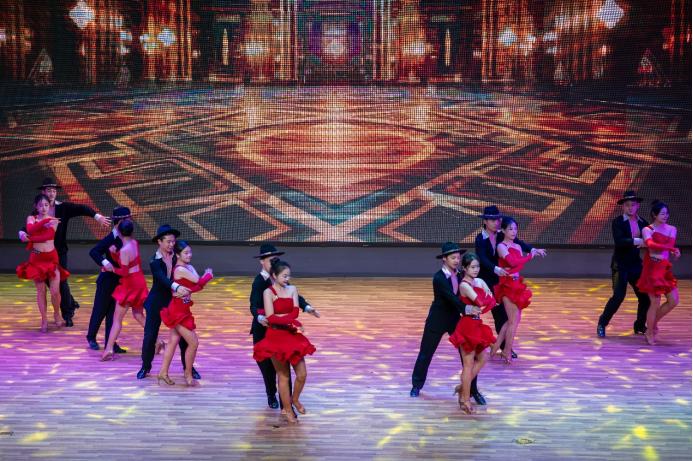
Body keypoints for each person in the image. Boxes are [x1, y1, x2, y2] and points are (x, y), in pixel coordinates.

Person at [19, 177, 110, 326]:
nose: (52, 193)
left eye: (54, 191)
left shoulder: (63, 208)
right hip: (39, 255)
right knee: (49, 285)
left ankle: (67, 313)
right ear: (43, 192)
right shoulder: (38, 211)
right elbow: (30, 226)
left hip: (58, 252)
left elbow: (82, 208)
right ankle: (69, 303)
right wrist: (22, 232)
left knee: (60, 283)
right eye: (49, 190)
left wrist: (97, 216)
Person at [410, 242, 487, 405]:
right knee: (426, 353)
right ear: (444, 259)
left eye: (458, 258)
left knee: (468, 356)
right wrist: (467, 308)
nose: (457, 261)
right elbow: (451, 298)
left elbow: (469, 290)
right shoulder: (438, 278)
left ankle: (472, 390)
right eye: (453, 258)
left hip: (455, 320)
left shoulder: (460, 276)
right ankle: (416, 385)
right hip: (437, 320)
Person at [249, 244, 320, 409]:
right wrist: (260, 318)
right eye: (271, 260)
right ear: (262, 261)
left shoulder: (281, 277)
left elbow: (294, 296)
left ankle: (286, 406)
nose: (274, 263)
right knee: (267, 369)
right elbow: (253, 305)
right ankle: (271, 394)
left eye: (276, 260)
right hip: (263, 330)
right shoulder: (259, 282)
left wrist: (306, 307)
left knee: (284, 369)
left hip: (282, 331)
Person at [474, 206, 542, 360]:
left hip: (503, 282)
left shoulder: (501, 235)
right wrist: (496, 268)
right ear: (485, 221)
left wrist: (532, 249)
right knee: (487, 314)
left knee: (503, 316)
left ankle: (506, 348)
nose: (496, 222)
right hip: (488, 282)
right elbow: (482, 259)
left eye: (497, 219)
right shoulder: (480, 238)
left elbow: (519, 242)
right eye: (492, 220)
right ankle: (488, 347)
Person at [137, 225, 198, 380]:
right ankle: (145, 366)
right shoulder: (154, 261)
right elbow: (162, 279)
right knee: (150, 335)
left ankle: (188, 368)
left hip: (174, 301)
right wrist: (177, 287)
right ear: (160, 241)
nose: (171, 244)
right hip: (157, 301)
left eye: (173, 241)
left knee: (183, 335)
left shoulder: (177, 256)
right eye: (168, 242)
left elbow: (187, 273)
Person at [158, 240, 213, 386]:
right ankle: (188, 373)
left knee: (172, 342)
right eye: (186, 253)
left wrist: (190, 290)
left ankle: (163, 373)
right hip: (177, 311)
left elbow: (199, 286)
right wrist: (208, 275)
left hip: (184, 309)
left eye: (190, 252)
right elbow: (200, 281)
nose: (189, 255)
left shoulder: (189, 267)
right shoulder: (180, 270)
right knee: (193, 343)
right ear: (178, 254)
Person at [597, 191, 651, 338]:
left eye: (633, 205)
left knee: (645, 297)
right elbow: (620, 241)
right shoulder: (618, 222)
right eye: (627, 205)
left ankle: (640, 326)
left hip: (635, 265)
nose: (630, 208)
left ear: (638, 206)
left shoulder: (643, 223)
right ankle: (602, 323)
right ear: (623, 207)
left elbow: (652, 238)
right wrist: (639, 241)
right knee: (618, 296)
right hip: (620, 265)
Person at [491, 217, 545, 363]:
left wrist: (519, 263)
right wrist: (529, 256)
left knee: (513, 320)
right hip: (507, 285)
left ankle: (496, 348)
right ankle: (507, 351)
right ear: (503, 230)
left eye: (515, 229)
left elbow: (518, 266)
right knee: (513, 321)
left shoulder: (517, 246)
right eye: (510, 229)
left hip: (516, 284)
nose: (513, 231)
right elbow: (513, 262)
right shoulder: (501, 246)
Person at [449, 253, 496, 414]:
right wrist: (487, 299)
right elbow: (482, 302)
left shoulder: (478, 281)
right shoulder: (464, 285)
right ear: (465, 268)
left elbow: (491, 300)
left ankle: (462, 387)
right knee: (468, 364)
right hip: (467, 326)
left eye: (477, 267)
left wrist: (488, 300)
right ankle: (465, 399)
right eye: (472, 267)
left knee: (483, 357)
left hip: (476, 323)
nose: (476, 270)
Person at [16, 194, 69, 332]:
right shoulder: (31, 218)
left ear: (49, 206)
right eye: (41, 205)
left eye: (46, 205)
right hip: (37, 259)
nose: (44, 208)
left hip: (51, 258)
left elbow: (47, 236)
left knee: (55, 291)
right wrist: (42, 224)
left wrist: (30, 238)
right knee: (41, 291)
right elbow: (30, 229)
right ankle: (44, 319)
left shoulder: (54, 220)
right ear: (36, 206)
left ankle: (57, 314)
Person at [100, 219, 148, 361]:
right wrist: (115, 254)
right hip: (139, 281)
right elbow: (129, 262)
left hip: (129, 285)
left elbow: (124, 272)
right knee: (138, 315)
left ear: (119, 233)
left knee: (117, 320)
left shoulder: (124, 250)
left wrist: (110, 268)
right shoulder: (134, 243)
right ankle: (158, 341)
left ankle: (108, 349)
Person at [85, 206, 131, 352]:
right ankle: (91, 337)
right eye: (127, 219)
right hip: (106, 281)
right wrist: (105, 262)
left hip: (119, 282)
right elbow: (94, 251)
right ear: (119, 222)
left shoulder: (126, 237)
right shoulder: (111, 238)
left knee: (113, 314)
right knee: (100, 310)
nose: (129, 222)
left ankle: (110, 343)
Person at [636, 200, 680, 345]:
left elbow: (669, 246)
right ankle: (649, 332)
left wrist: (674, 251)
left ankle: (652, 324)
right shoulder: (647, 229)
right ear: (654, 215)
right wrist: (671, 249)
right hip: (652, 269)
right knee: (655, 302)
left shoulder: (672, 229)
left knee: (673, 300)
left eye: (667, 213)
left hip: (664, 268)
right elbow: (650, 244)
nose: (665, 216)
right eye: (662, 213)